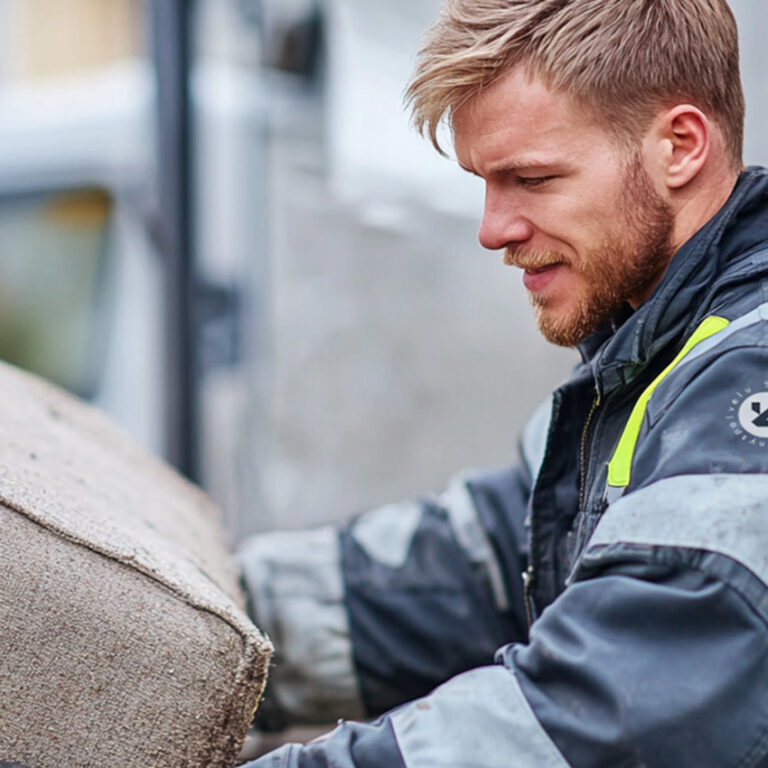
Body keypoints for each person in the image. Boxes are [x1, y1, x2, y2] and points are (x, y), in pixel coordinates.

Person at [239, 1, 768, 765]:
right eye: (485, 181)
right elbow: (481, 561)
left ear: (679, 146)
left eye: (532, 178)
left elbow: (596, 719)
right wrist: (209, 621)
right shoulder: (647, 354)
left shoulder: (744, 388)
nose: (493, 228)